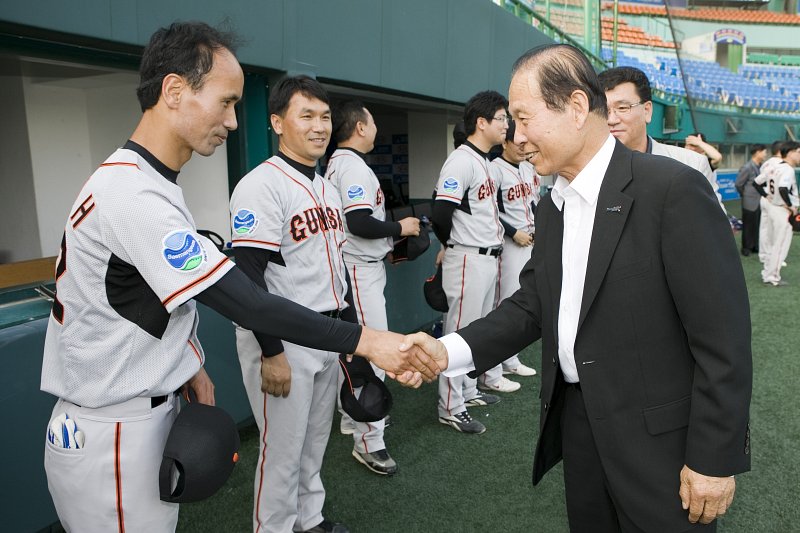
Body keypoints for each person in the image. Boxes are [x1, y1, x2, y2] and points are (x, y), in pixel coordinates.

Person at [40, 24, 434, 533]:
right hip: (113, 423)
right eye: (225, 102)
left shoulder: (144, 182)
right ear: (175, 91)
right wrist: (369, 341)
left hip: (130, 409)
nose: (231, 120)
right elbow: (247, 300)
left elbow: (134, 297)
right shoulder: (134, 194)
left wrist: (186, 364)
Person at [404, 44, 752, 531]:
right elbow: (533, 304)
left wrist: (714, 459)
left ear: (574, 107)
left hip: (662, 447)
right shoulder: (555, 205)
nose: (517, 137)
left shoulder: (671, 189)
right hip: (581, 431)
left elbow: (724, 337)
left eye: (524, 119)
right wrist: (447, 352)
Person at [324, 100, 420, 475]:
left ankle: (353, 418)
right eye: (373, 120)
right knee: (372, 352)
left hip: (353, 267)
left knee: (350, 353)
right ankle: (370, 441)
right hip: (357, 269)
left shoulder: (336, 164)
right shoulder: (353, 168)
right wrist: (401, 228)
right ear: (360, 127)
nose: (376, 126)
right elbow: (360, 221)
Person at [431, 90, 513, 435]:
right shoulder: (462, 160)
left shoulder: (483, 160)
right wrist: (450, 244)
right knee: (459, 334)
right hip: (467, 256)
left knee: (476, 332)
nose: (507, 124)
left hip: (487, 256)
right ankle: (450, 407)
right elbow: (440, 212)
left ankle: (468, 391)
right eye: (502, 118)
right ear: (481, 123)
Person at [598, 66, 727, 214]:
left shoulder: (691, 165)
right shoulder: (585, 169)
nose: (611, 119)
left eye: (622, 108)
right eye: (603, 110)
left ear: (647, 111)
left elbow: (713, 229)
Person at [491, 119, 539, 378]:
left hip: (530, 240)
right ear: (504, 142)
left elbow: (533, 202)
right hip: (510, 245)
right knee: (506, 303)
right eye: (517, 140)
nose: (523, 145)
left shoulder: (528, 168)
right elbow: (490, 211)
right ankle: (497, 365)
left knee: (523, 299)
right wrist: (513, 232)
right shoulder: (495, 169)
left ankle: (511, 359)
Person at [760, 141, 800, 286]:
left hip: (772, 206)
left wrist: (766, 196)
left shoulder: (774, 166)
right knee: (780, 245)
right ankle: (772, 277)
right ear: (790, 152)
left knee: (772, 243)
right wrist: (790, 206)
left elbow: (756, 183)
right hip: (782, 210)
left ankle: (767, 273)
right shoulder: (787, 169)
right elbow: (783, 188)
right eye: (799, 152)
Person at [754, 141, 785, 265]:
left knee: (765, 228)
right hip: (774, 198)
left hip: (765, 197)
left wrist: (765, 195)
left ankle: (765, 255)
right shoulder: (782, 164)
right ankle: (772, 257)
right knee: (775, 230)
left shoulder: (766, 163)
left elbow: (758, 181)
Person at [735, 144, 767, 256]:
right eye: (764, 152)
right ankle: (746, 248)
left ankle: (755, 246)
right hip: (749, 201)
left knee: (758, 224)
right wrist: (745, 195)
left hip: (760, 201)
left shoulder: (762, 167)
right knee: (748, 225)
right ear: (758, 152)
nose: (765, 154)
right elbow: (739, 184)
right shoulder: (747, 167)